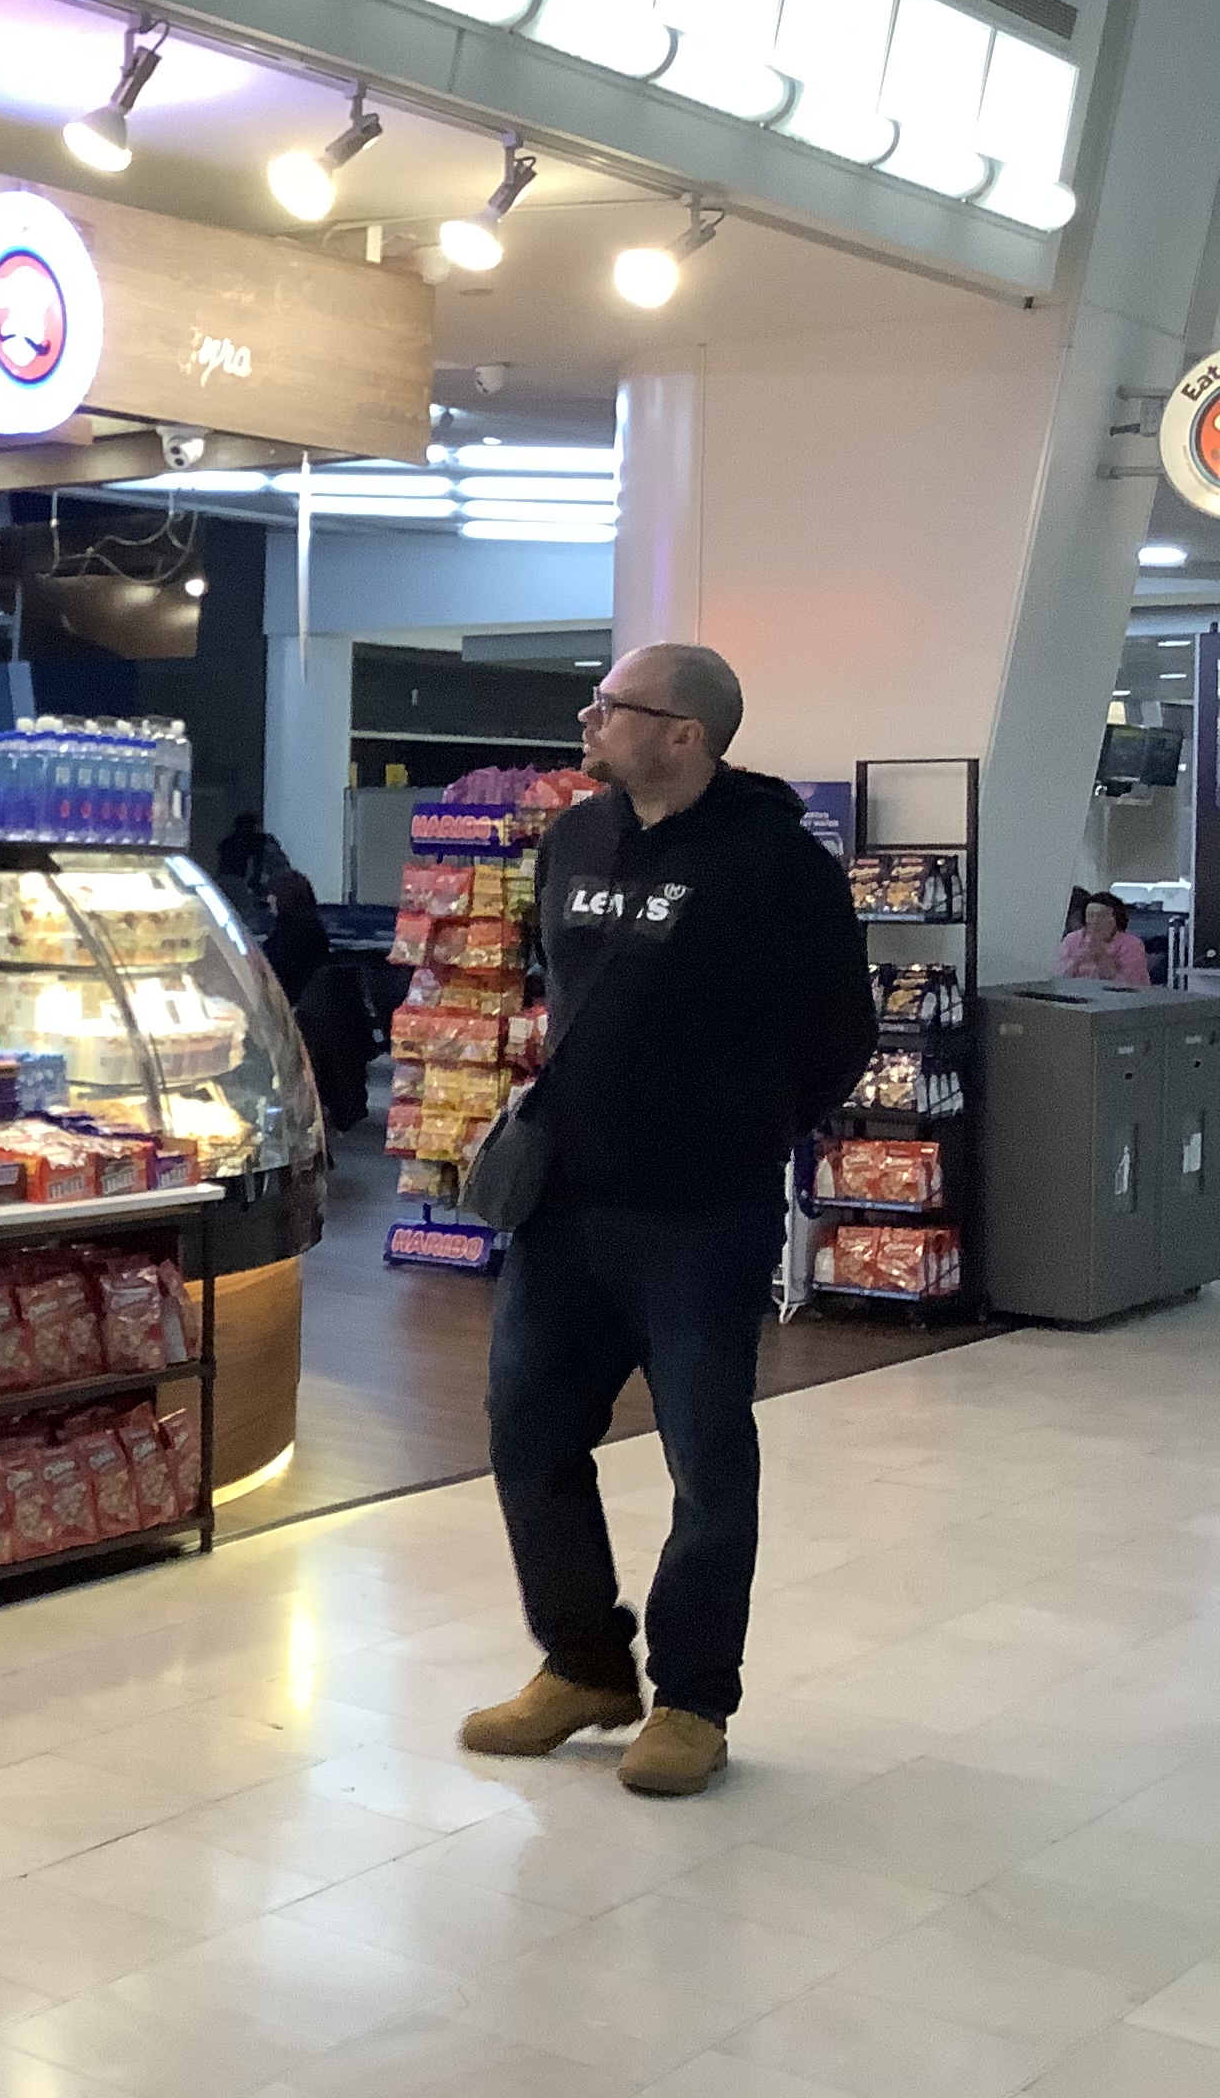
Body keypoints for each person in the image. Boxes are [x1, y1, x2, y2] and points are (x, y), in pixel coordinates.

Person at [459, 643, 872, 1797]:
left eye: (613, 706)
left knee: (706, 1457)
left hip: (702, 1215)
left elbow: (840, 1032)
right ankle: (584, 1666)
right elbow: (564, 994)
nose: (587, 719)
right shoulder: (574, 838)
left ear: (685, 733)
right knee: (528, 1434)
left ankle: (694, 1698)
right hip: (564, 1205)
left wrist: (739, 1131)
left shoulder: (778, 863)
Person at [259, 870, 331, 1002]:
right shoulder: (315, 931)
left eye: (273, 894)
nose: (269, 899)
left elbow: (270, 972)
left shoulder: (287, 938)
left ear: (283, 898)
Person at [1057, 890, 1152, 986]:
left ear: (1116, 919)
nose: (1095, 921)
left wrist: (1102, 957)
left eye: (1102, 916)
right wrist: (1076, 961)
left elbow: (1131, 984)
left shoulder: (1132, 944)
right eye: (1090, 915)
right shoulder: (1072, 939)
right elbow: (1057, 976)